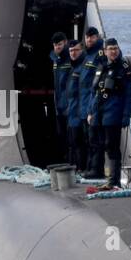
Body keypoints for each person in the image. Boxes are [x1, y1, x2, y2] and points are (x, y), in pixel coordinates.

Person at [89, 38, 131, 189]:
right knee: (100, 144)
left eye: (116, 48)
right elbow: (94, 91)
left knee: (112, 145)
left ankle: (114, 180)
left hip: (114, 111)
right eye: (111, 49)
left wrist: (126, 115)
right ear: (105, 50)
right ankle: (108, 176)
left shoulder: (124, 68)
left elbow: (130, 94)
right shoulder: (101, 65)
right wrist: (90, 111)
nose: (113, 51)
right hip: (100, 112)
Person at [78, 27, 107, 178]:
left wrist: (93, 108)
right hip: (84, 105)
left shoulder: (99, 55)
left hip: (93, 105)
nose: (89, 40)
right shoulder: (87, 55)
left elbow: (97, 84)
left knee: (95, 140)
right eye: (87, 37)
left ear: (97, 37)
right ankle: (90, 168)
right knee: (89, 140)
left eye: (92, 37)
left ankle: (97, 170)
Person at [65, 39, 88, 171]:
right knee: (73, 143)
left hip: (80, 114)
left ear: (82, 50)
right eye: (71, 51)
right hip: (72, 112)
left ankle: (82, 169)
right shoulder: (73, 67)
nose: (73, 53)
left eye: (76, 50)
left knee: (80, 144)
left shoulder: (83, 68)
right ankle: (77, 168)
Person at [50, 32, 72, 163]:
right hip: (59, 105)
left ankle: (73, 163)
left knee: (72, 137)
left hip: (69, 105)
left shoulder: (70, 60)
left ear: (65, 43)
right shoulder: (55, 61)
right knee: (61, 136)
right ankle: (65, 161)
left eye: (59, 44)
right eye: (55, 45)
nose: (57, 47)